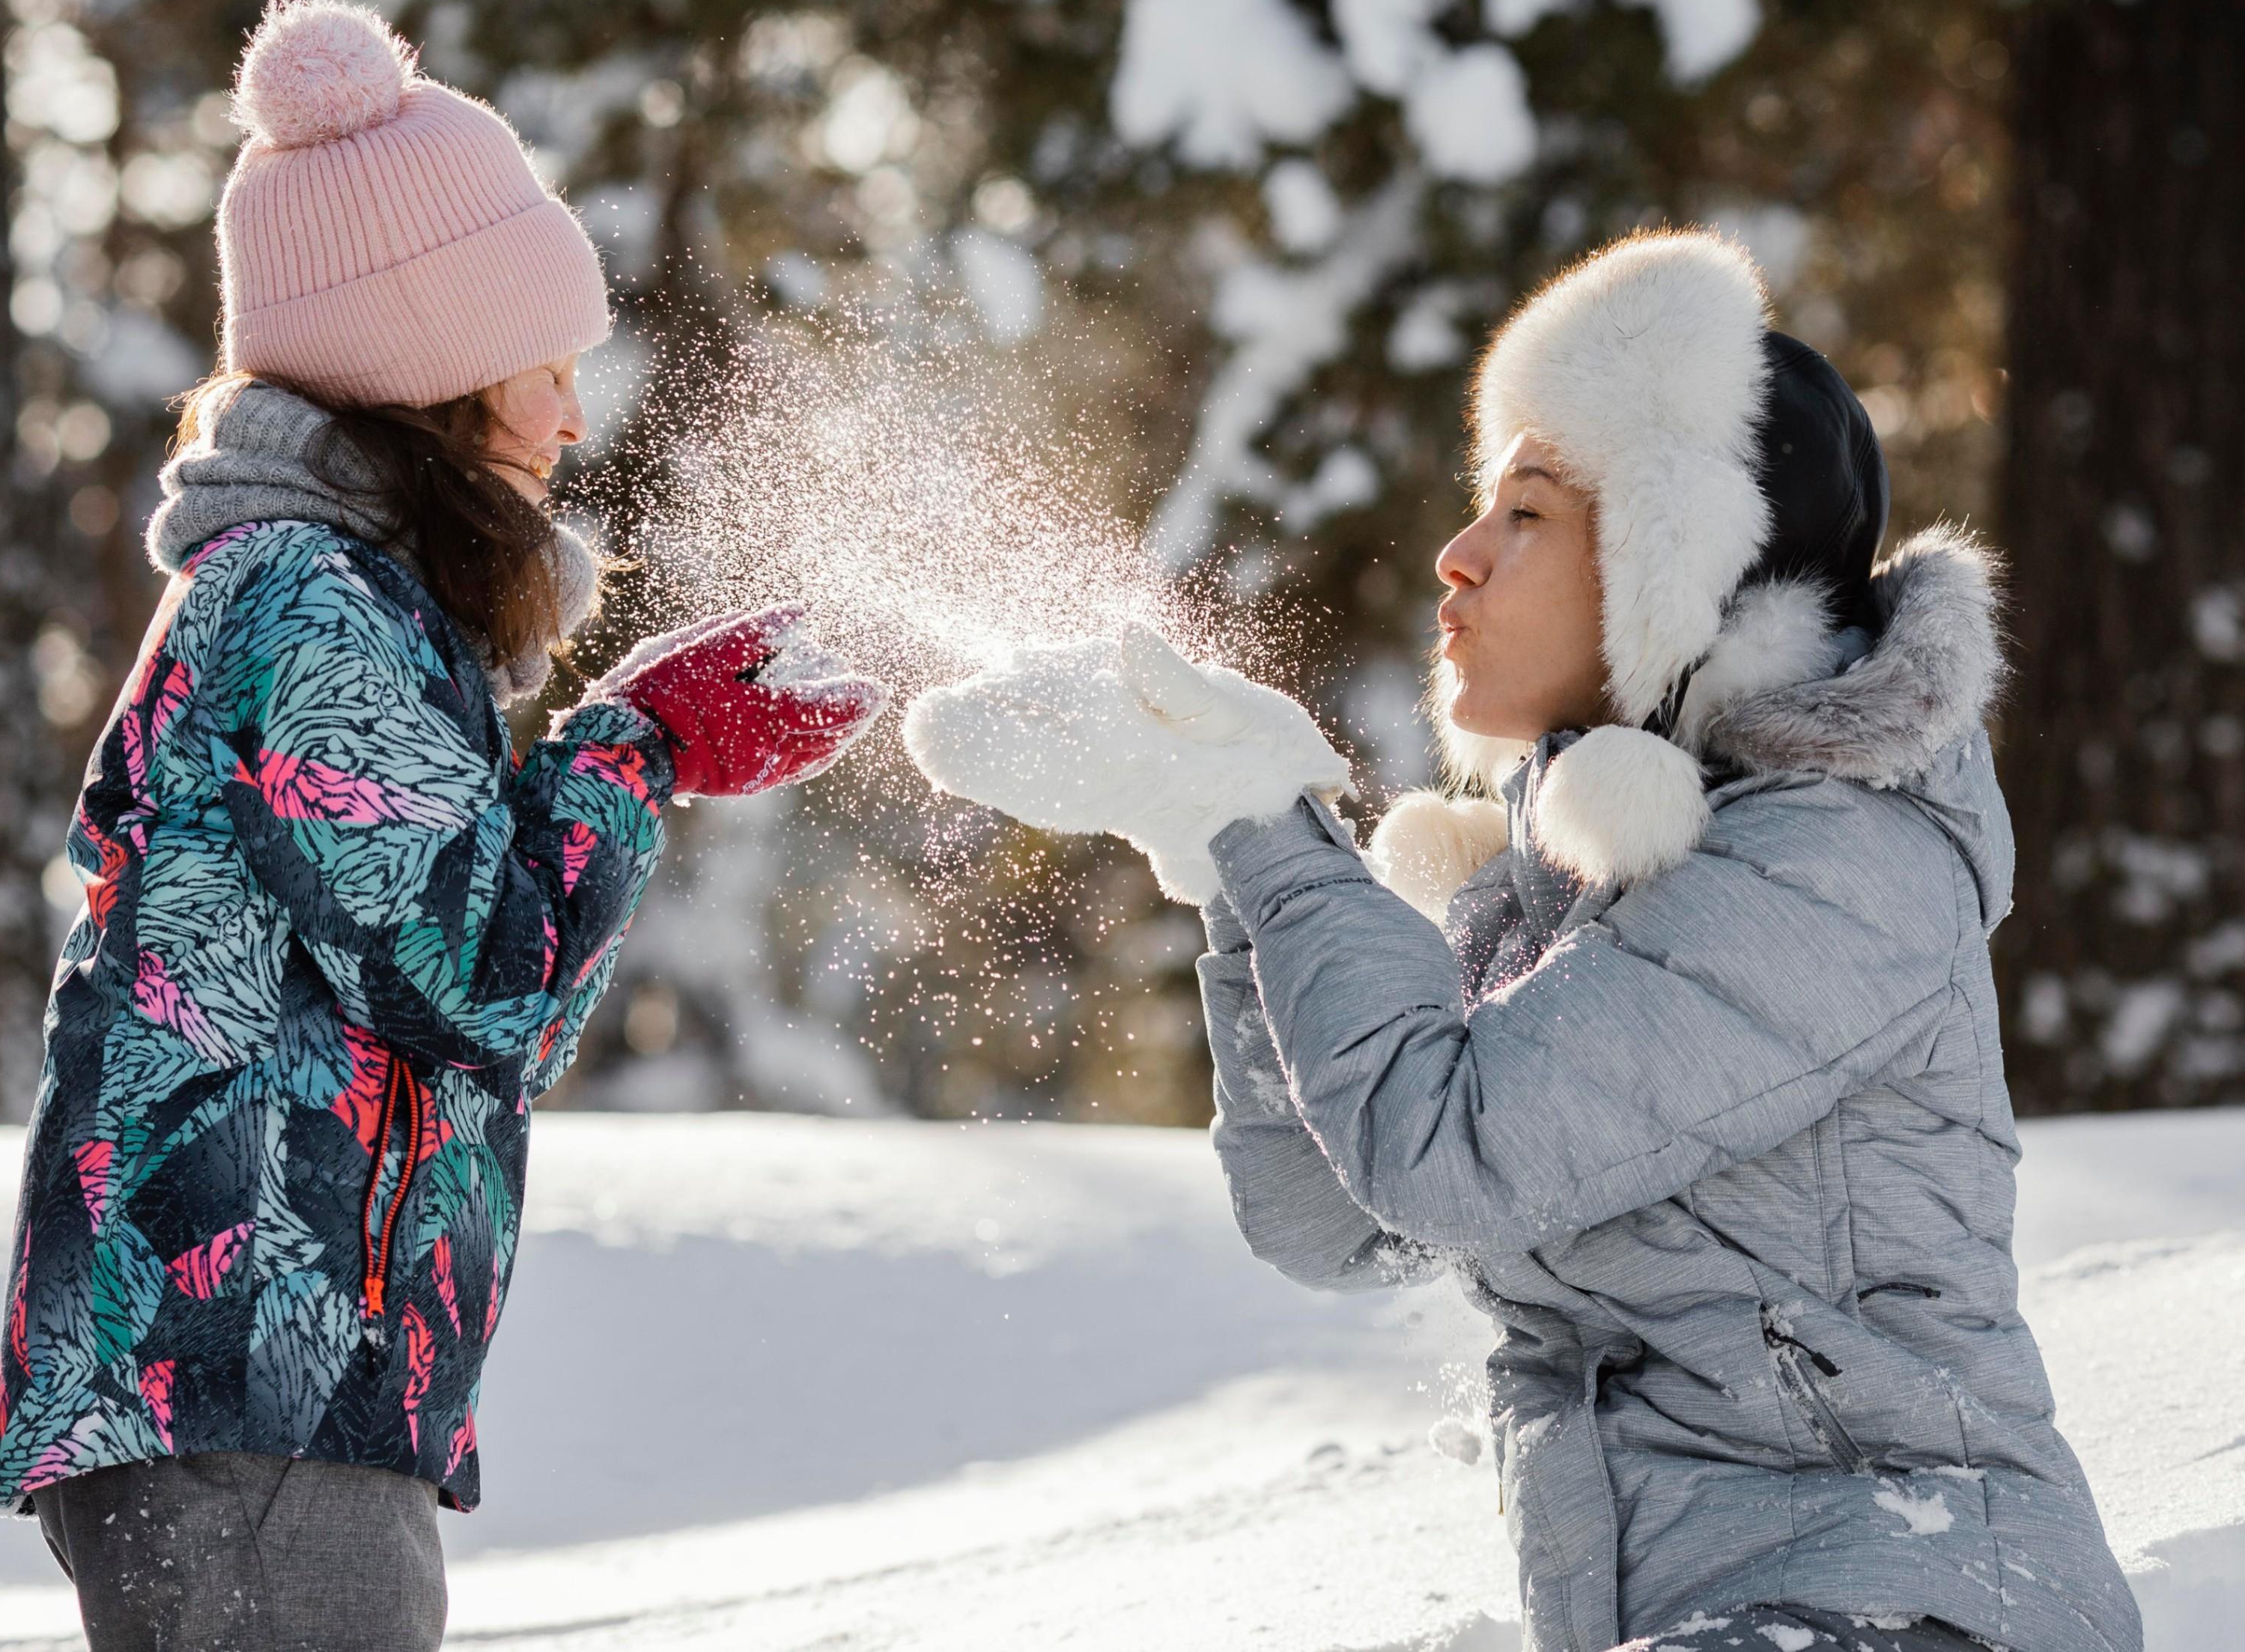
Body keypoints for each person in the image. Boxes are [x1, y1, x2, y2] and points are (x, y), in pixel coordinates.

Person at [906, 231, 2140, 1652]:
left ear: (1683, 560)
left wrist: (1266, 830)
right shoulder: (1578, 872)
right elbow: (1334, 1221)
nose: (1459, 554)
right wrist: (1229, 867)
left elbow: (1447, 1153)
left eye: (1532, 512)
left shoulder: (1842, 863)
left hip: (1912, 1601)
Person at [0, 0, 884, 1651]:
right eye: (546, 368)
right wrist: (635, 744)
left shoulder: (336, 596)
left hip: (260, 1385)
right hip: (240, 1371)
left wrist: (630, 745)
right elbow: (483, 982)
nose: (570, 418)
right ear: (438, 373)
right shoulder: (311, 601)